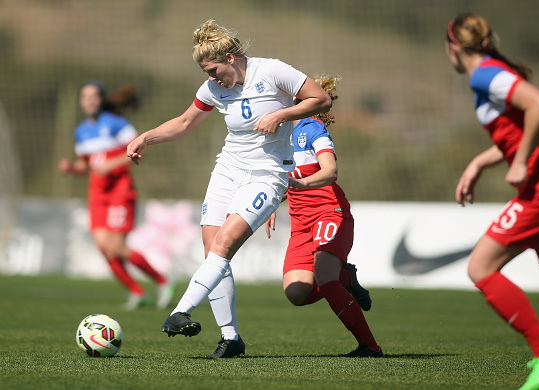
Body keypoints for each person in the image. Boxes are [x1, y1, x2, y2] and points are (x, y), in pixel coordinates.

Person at [126, 19, 332, 358]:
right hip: (228, 170)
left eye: (213, 69)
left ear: (230, 57)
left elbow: (320, 99)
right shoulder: (212, 89)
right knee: (213, 250)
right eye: (206, 72)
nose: (211, 77)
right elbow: (183, 123)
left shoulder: (273, 71)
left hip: (268, 175)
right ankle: (231, 337)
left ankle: (181, 311)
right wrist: (145, 137)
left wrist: (282, 115)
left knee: (224, 243)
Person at [445, 13, 539, 390]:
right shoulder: (489, 73)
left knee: (480, 267)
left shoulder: (483, 74)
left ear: (454, 47)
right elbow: (514, 131)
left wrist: (523, 161)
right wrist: (481, 161)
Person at [265, 75, 383, 357]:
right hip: (301, 223)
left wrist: (302, 184)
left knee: (324, 277)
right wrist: (272, 203)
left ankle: (370, 347)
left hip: (328, 212)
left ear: (295, 100)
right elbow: (289, 180)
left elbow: (330, 171)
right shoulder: (280, 133)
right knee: (296, 293)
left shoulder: (311, 127)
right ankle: (345, 279)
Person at [59, 80, 174, 310]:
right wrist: (72, 168)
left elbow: (136, 152)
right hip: (97, 196)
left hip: (120, 193)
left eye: (94, 96)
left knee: (117, 247)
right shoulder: (81, 132)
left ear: (101, 99)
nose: (90, 101)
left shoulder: (116, 124)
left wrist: (113, 163)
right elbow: (85, 164)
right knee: (104, 247)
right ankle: (137, 292)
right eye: (85, 97)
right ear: (82, 102)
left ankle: (163, 281)